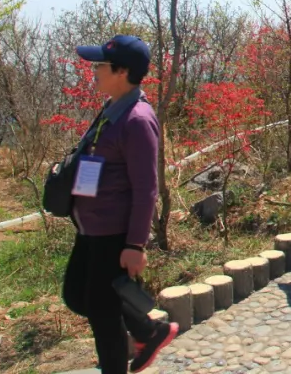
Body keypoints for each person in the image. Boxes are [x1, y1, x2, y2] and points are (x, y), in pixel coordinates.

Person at [65, 35, 177, 374]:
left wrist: (134, 244)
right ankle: (148, 330)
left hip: (113, 232)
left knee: (103, 315)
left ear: (122, 71)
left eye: (100, 65)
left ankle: (138, 342)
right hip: (91, 226)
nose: (94, 71)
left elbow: (146, 189)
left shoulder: (137, 120)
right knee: (76, 295)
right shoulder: (113, 109)